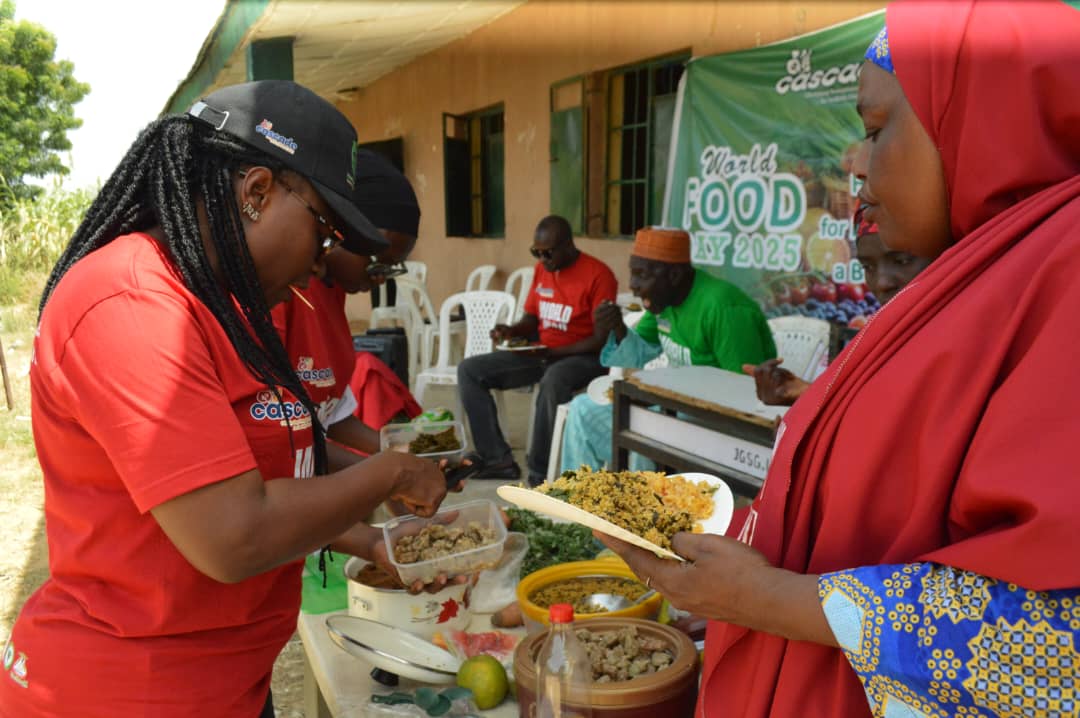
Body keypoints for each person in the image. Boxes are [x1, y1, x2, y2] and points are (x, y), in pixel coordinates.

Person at [596, 3, 1080, 716]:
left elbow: (1056, 639)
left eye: (876, 128)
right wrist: (735, 559)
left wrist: (768, 599)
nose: (852, 162)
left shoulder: (1060, 274)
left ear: (982, 119)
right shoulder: (974, 277)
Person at [0, 81, 455, 718]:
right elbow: (234, 535)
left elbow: (281, 453)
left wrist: (382, 527)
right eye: (323, 233)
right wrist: (392, 469)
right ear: (257, 192)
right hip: (129, 689)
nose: (323, 263)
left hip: (227, 683)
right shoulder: (131, 304)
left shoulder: (224, 305)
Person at [559, 227, 776, 473]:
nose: (633, 285)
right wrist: (618, 328)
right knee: (582, 411)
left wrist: (664, 403)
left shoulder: (723, 308)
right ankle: (577, 503)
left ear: (673, 275)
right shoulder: (664, 303)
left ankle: (639, 510)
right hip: (673, 409)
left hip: (719, 427)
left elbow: (747, 395)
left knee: (646, 432)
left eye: (641, 275)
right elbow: (638, 354)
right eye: (633, 273)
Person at [274, 149, 422, 462]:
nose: (380, 279)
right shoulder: (280, 295)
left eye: (391, 268)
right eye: (377, 263)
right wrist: (392, 474)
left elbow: (331, 415)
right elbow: (285, 440)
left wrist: (410, 454)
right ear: (339, 230)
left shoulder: (333, 292)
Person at [457, 215, 617, 485]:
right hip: (543, 352)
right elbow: (531, 318)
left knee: (554, 379)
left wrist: (552, 354)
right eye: (537, 252)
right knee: (470, 370)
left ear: (568, 245)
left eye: (548, 252)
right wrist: (512, 330)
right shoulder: (543, 270)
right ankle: (497, 459)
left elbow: (601, 340)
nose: (542, 258)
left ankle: (540, 472)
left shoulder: (599, 275)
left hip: (586, 356)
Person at [745, 215, 931, 406]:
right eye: (868, 267)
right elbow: (875, 408)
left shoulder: (951, 343)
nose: (882, 282)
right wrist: (804, 395)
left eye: (901, 261)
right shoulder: (884, 337)